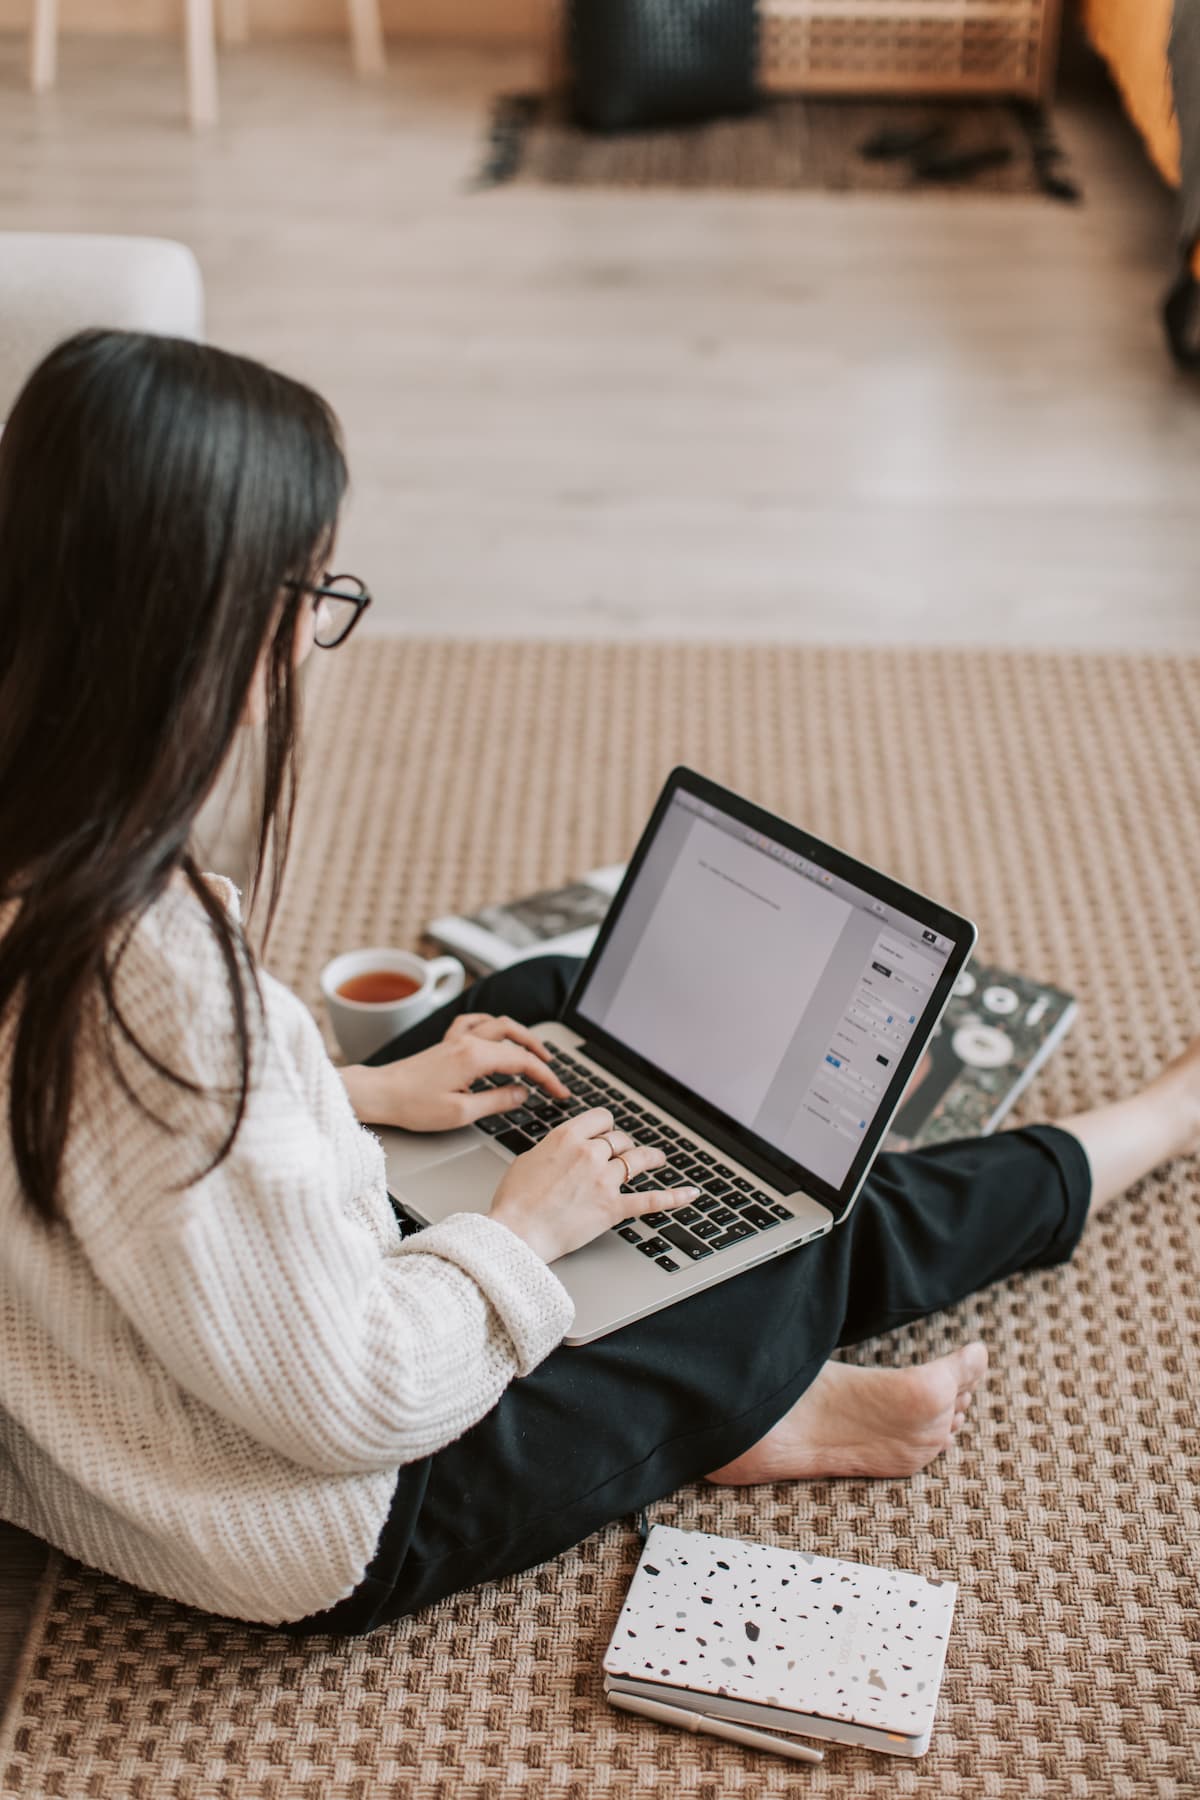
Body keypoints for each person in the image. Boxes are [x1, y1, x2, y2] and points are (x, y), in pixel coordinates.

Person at [1, 331, 1196, 1638]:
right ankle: (770, 1388)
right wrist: (526, 1230)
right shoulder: (166, 987)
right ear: (205, 624)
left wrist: (359, 1089)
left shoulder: (72, 896)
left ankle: (721, 1368)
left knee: (551, 999)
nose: (311, 639)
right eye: (308, 594)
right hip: (317, 1508)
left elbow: (128, 1156)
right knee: (803, 1221)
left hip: (125, 1386)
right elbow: (360, 1395)